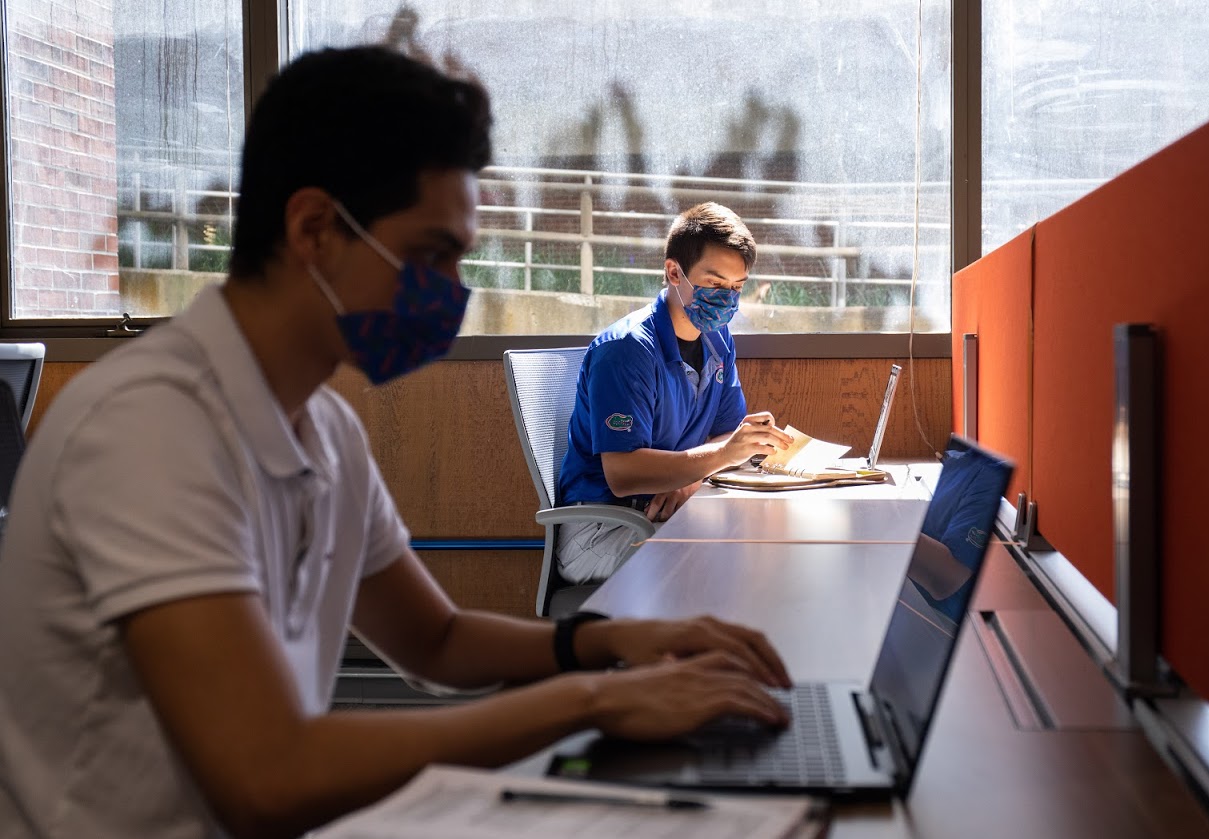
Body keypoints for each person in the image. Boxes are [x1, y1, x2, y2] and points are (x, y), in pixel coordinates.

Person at [0, 47, 792, 839]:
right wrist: (595, 696)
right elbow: (265, 776)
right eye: (428, 256)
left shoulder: (325, 432)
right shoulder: (151, 425)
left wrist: (618, 640)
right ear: (314, 228)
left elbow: (436, 639)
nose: (448, 293)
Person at [556, 203, 794, 583]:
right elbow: (623, 473)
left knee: (773, 538)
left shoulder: (718, 340)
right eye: (715, 284)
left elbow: (725, 435)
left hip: (674, 507)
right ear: (673, 272)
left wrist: (692, 478)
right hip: (606, 527)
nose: (727, 298)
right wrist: (721, 455)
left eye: (737, 287)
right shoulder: (626, 351)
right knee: (730, 563)